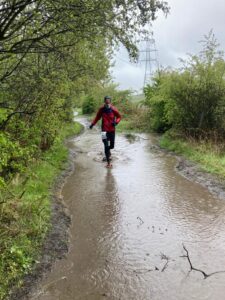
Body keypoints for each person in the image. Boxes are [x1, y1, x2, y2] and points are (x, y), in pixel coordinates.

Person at [89, 96, 121, 168]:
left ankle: (108, 151)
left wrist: (116, 122)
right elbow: (97, 118)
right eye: (106, 101)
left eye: (108, 101)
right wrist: (92, 124)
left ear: (110, 102)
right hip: (104, 131)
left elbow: (119, 117)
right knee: (106, 145)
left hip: (112, 130)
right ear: (104, 101)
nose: (107, 102)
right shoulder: (101, 109)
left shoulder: (113, 109)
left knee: (111, 146)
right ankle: (108, 163)